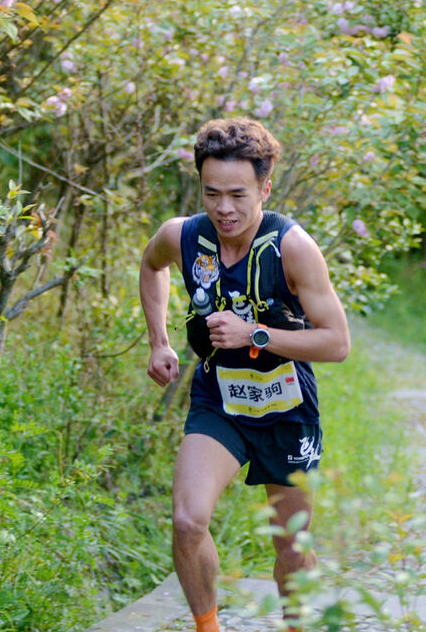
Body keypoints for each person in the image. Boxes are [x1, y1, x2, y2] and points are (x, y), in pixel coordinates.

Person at [139, 118, 351, 632]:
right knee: (188, 520)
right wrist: (159, 341)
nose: (224, 208)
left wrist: (253, 333)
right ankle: (208, 627)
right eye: (212, 193)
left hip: (287, 407)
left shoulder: (292, 247)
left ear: (265, 189)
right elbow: (152, 265)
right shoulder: (183, 236)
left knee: (291, 547)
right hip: (221, 401)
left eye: (238, 194)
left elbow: (337, 343)